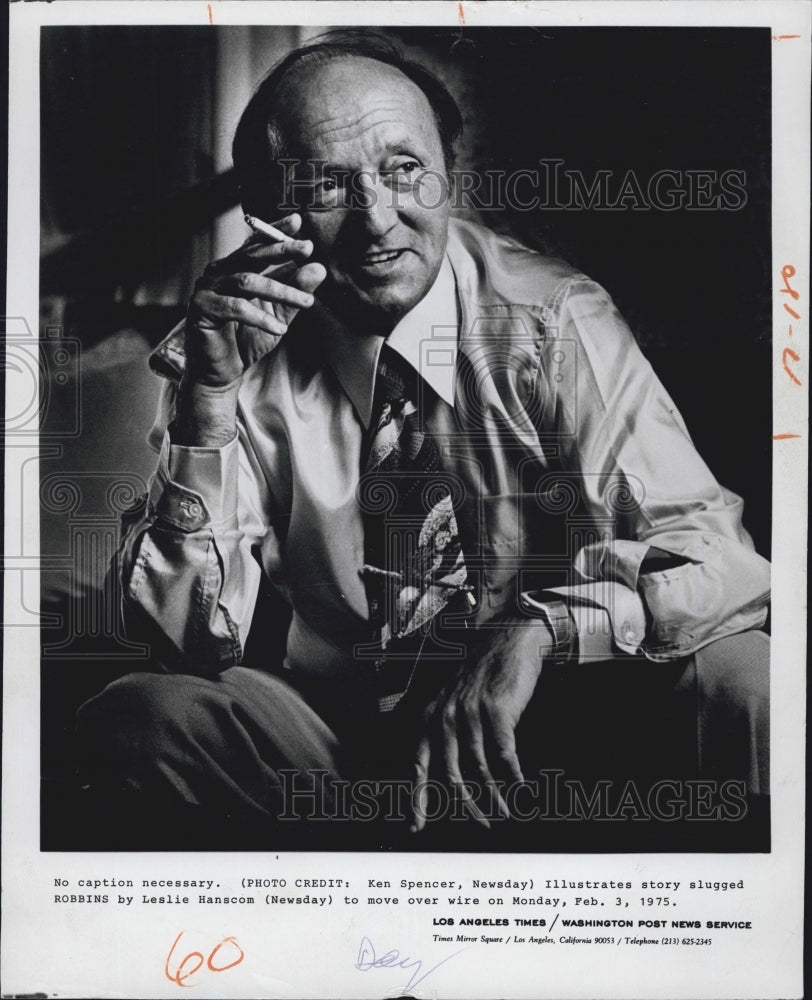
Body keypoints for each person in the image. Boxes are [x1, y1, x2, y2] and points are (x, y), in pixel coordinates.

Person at [76, 31, 770, 845]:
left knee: (747, 677)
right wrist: (208, 398)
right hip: (339, 744)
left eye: (405, 170)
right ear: (272, 215)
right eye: (330, 185)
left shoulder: (552, 319)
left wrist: (540, 631)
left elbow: (722, 562)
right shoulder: (237, 348)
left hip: (554, 717)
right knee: (136, 717)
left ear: (448, 174)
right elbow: (184, 645)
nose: (377, 220)